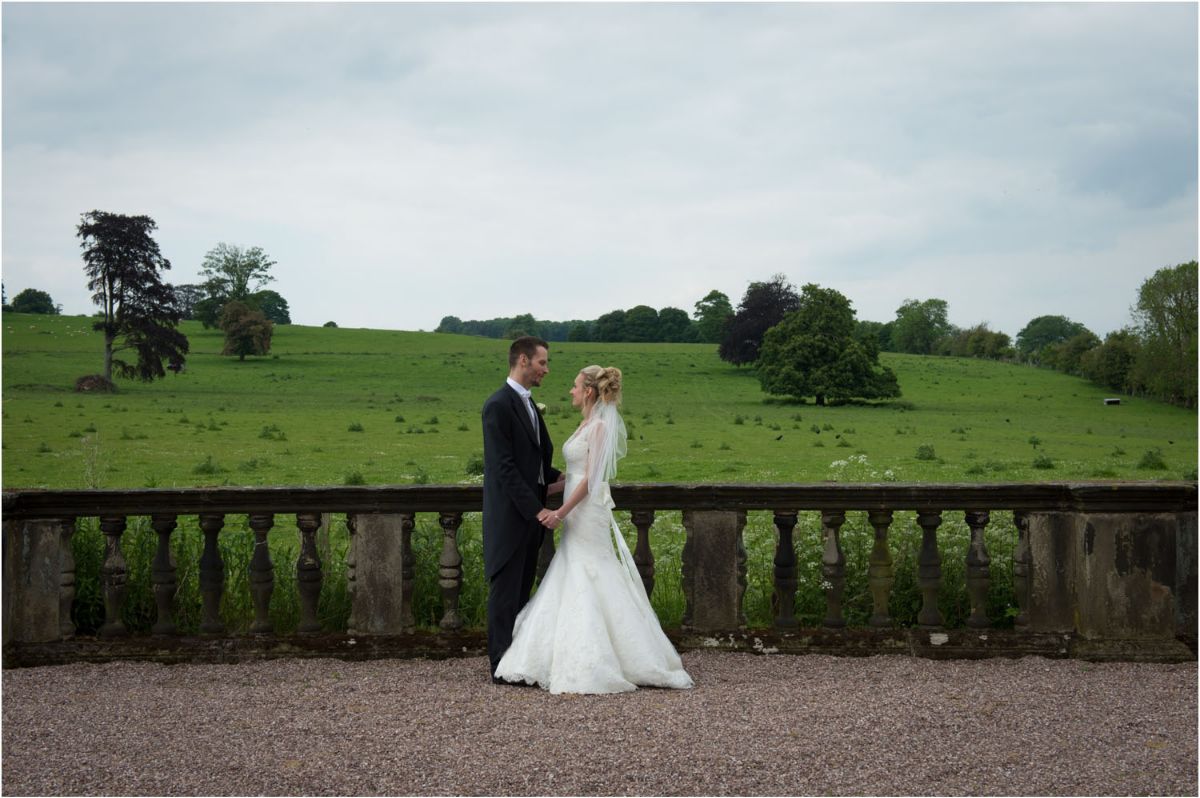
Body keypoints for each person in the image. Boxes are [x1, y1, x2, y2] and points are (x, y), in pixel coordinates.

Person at [495, 365, 694, 694]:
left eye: (575, 386)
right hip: (577, 510)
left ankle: (612, 657)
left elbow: (591, 480)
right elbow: (574, 475)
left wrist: (559, 512)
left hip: (586, 513)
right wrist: (541, 492)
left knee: (592, 571)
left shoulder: (599, 427)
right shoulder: (585, 424)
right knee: (572, 570)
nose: (570, 391)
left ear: (588, 391)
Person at [482, 336, 564, 683]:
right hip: (510, 518)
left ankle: (517, 661)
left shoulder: (528, 404)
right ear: (523, 361)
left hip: (529, 518)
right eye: (542, 362)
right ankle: (499, 666)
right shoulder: (498, 405)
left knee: (522, 591)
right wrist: (538, 510)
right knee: (505, 593)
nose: (547, 369)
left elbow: (533, 461)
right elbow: (504, 468)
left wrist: (565, 478)